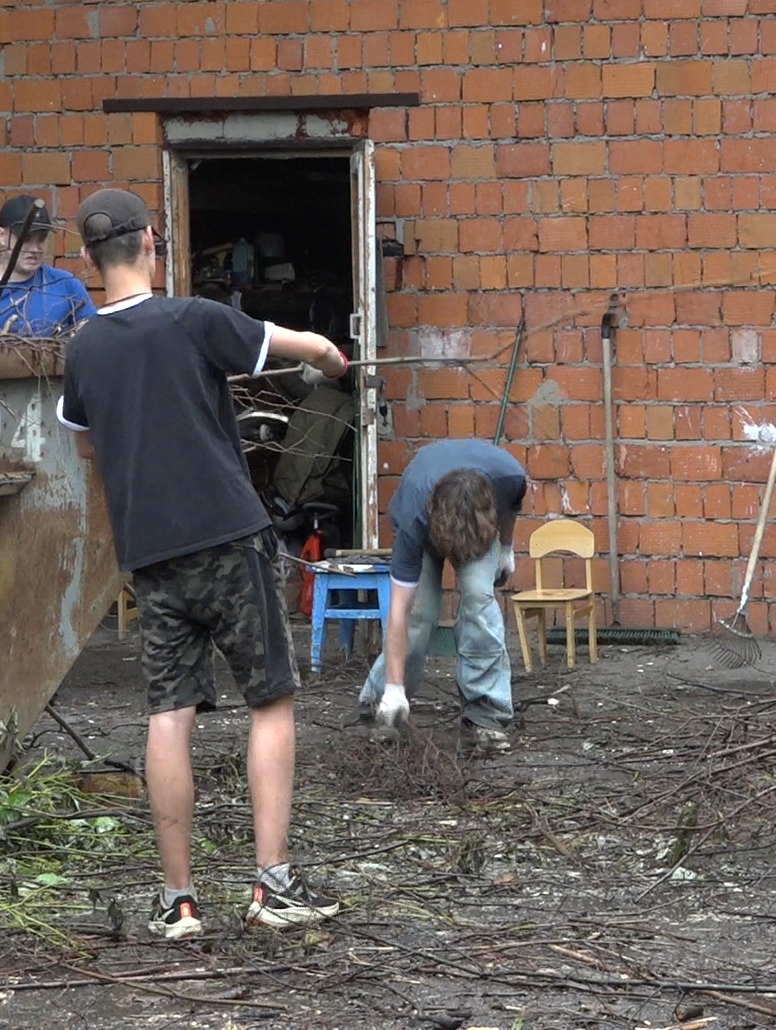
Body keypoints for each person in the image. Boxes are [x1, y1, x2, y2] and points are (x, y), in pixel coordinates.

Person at [55, 187, 350, 939]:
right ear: (152, 242)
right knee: (271, 701)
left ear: (89, 261)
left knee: (168, 713)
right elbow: (306, 349)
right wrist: (330, 359)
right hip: (228, 534)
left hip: (151, 552)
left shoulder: (84, 348)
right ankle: (271, 885)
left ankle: (178, 900)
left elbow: (88, 444)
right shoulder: (192, 318)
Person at [359, 440, 527, 752]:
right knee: (419, 615)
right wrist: (395, 687)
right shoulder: (413, 521)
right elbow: (399, 610)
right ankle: (384, 705)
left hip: (477, 522)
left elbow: (510, 511)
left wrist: (505, 546)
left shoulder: (510, 478)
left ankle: (486, 715)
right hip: (427, 517)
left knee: (479, 598)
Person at [0, 196, 92, 335]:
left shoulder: (66, 285)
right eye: (25, 239)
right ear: (1, 235)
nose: (35, 248)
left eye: (41, 239)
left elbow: (92, 340)